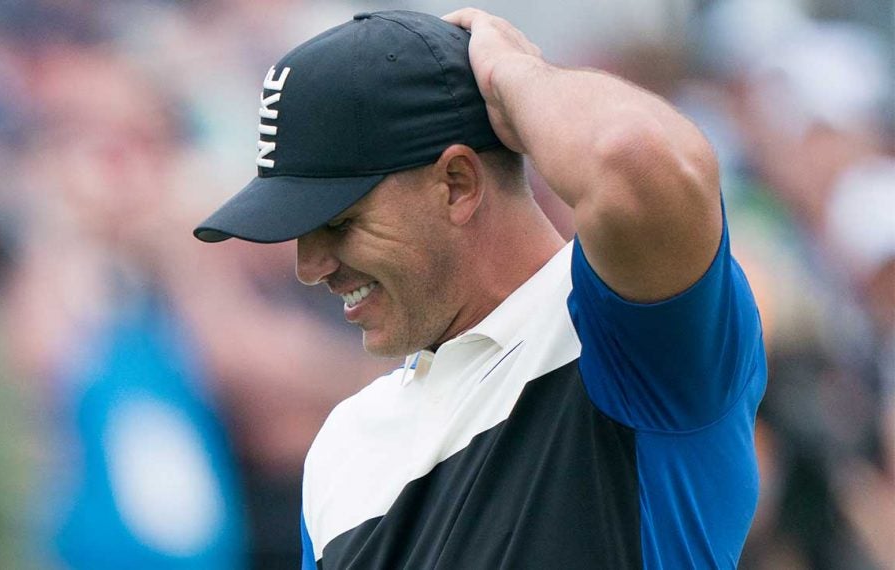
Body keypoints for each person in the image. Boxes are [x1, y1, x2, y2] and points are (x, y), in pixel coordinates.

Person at [192, 8, 765, 569]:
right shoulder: (343, 446)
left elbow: (632, 154)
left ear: (458, 183)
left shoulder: (626, 339)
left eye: (340, 223)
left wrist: (513, 73)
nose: (310, 267)